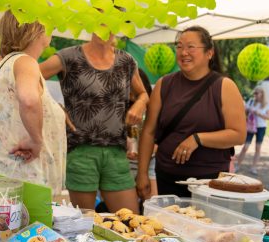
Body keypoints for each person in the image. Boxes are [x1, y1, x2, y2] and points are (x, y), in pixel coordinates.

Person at [40, 27, 148, 213]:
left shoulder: (126, 61)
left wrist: (140, 103)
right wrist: (53, 107)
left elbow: (144, 93)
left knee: (131, 222)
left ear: (119, 23)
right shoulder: (68, 56)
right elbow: (29, 77)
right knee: (82, 225)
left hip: (116, 151)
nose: (103, 26)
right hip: (80, 151)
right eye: (98, 19)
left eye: (109, 21)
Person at [136, 26, 246, 198]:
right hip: (167, 176)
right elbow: (148, 131)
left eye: (191, 47)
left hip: (208, 182)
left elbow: (238, 135)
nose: (184, 52)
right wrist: (142, 173)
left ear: (209, 53)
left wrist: (198, 139)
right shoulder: (163, 84)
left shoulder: (224, 86)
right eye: (179, 47)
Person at [0, 11, 66, 195]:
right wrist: (36, 140)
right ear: (37, 29)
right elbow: (28, 99)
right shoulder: (26, 62)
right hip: (27, 180)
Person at [126, 69, 158, 198]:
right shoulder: (121, 109)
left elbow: (157, 135)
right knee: (129, 206)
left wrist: (154, 147)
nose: (132, 95)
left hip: (151, 160)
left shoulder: (152, 108)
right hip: (127, 162)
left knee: (152, 200)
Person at [235, 87, 269, 175]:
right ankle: (237, 165)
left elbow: (268, 117)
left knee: (258, 148)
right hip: (250, 127)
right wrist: (246, 110)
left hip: (261, 127)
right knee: (245, 147)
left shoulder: (267, 104)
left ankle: (254, 167)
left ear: (262, 94)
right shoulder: (251, 101)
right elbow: (244, 111)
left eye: (257, 93)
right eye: (254, 93)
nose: (255, 95)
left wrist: (258, 113)